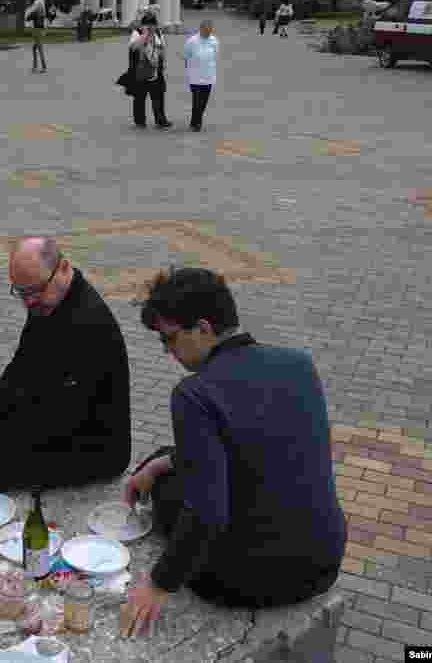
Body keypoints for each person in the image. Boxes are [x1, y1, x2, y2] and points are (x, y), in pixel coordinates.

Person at [118, 268, 346, 638]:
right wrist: (162, 463)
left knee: (166, 493)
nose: (168, 352)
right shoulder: (299, 364)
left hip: (240, 583)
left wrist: (157, 585)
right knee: (165, 459)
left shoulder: (195, 394)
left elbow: (207, 515)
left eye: (170, 339)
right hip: (323, 562)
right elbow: (257, 444)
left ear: (204, 327)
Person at [0, 237, 131, 500]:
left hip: (91, 447)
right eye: (22, 292)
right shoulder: (48, 300)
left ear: (63, 268)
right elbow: (20, 369)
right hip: (50, 410)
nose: (29, 302)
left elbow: (61, 420)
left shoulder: (88, 326)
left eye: (35, 291)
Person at [127, 12, 171, 130]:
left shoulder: (158, 33)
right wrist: (145, 35)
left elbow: (162, 48)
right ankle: (140, 121)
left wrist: (164, 61)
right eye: (148, 24)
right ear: (143, 25)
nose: (151, 27)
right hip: (140, 71)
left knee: (159, 96)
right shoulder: (137, 33)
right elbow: (133, 47)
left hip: (156, 70)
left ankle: (160, 120)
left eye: (153, 24)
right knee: (139, 97)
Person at [183, 20, 218, 132]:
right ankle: (197, 123)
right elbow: (186, 56)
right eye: (206, 31)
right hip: (195, 77)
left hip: (209, 76)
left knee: (203, 102)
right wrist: (189, 69)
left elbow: (215, 55)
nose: (208, 33)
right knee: (197, 101)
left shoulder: (214, 41)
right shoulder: (192, 41)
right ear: (201, 29)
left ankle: (195, 120)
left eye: (210, 31)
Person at [26, 0, 48, 73]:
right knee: (35, 48)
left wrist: (29, 12)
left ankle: (43, 67)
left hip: (36, 31)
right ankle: (35, 67)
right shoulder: (41, 10)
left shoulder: (36, 10)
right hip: (40, 30)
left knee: (39, 48)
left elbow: (28, 18)